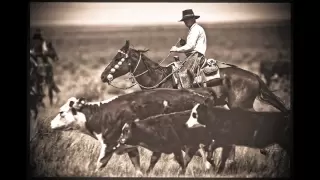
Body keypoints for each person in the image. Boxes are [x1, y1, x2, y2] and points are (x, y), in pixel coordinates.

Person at [170, 9, 209, 88]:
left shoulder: (195, 29)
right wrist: (184, 44)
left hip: (196, 57)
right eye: (185, 20)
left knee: (183, 74)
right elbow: (192, 46)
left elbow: (190, 47)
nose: (186, 22)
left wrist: (176, 49)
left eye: (187, 20)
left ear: (193, 19)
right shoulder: (195, 29)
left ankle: (187, 95)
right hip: (195, 55)